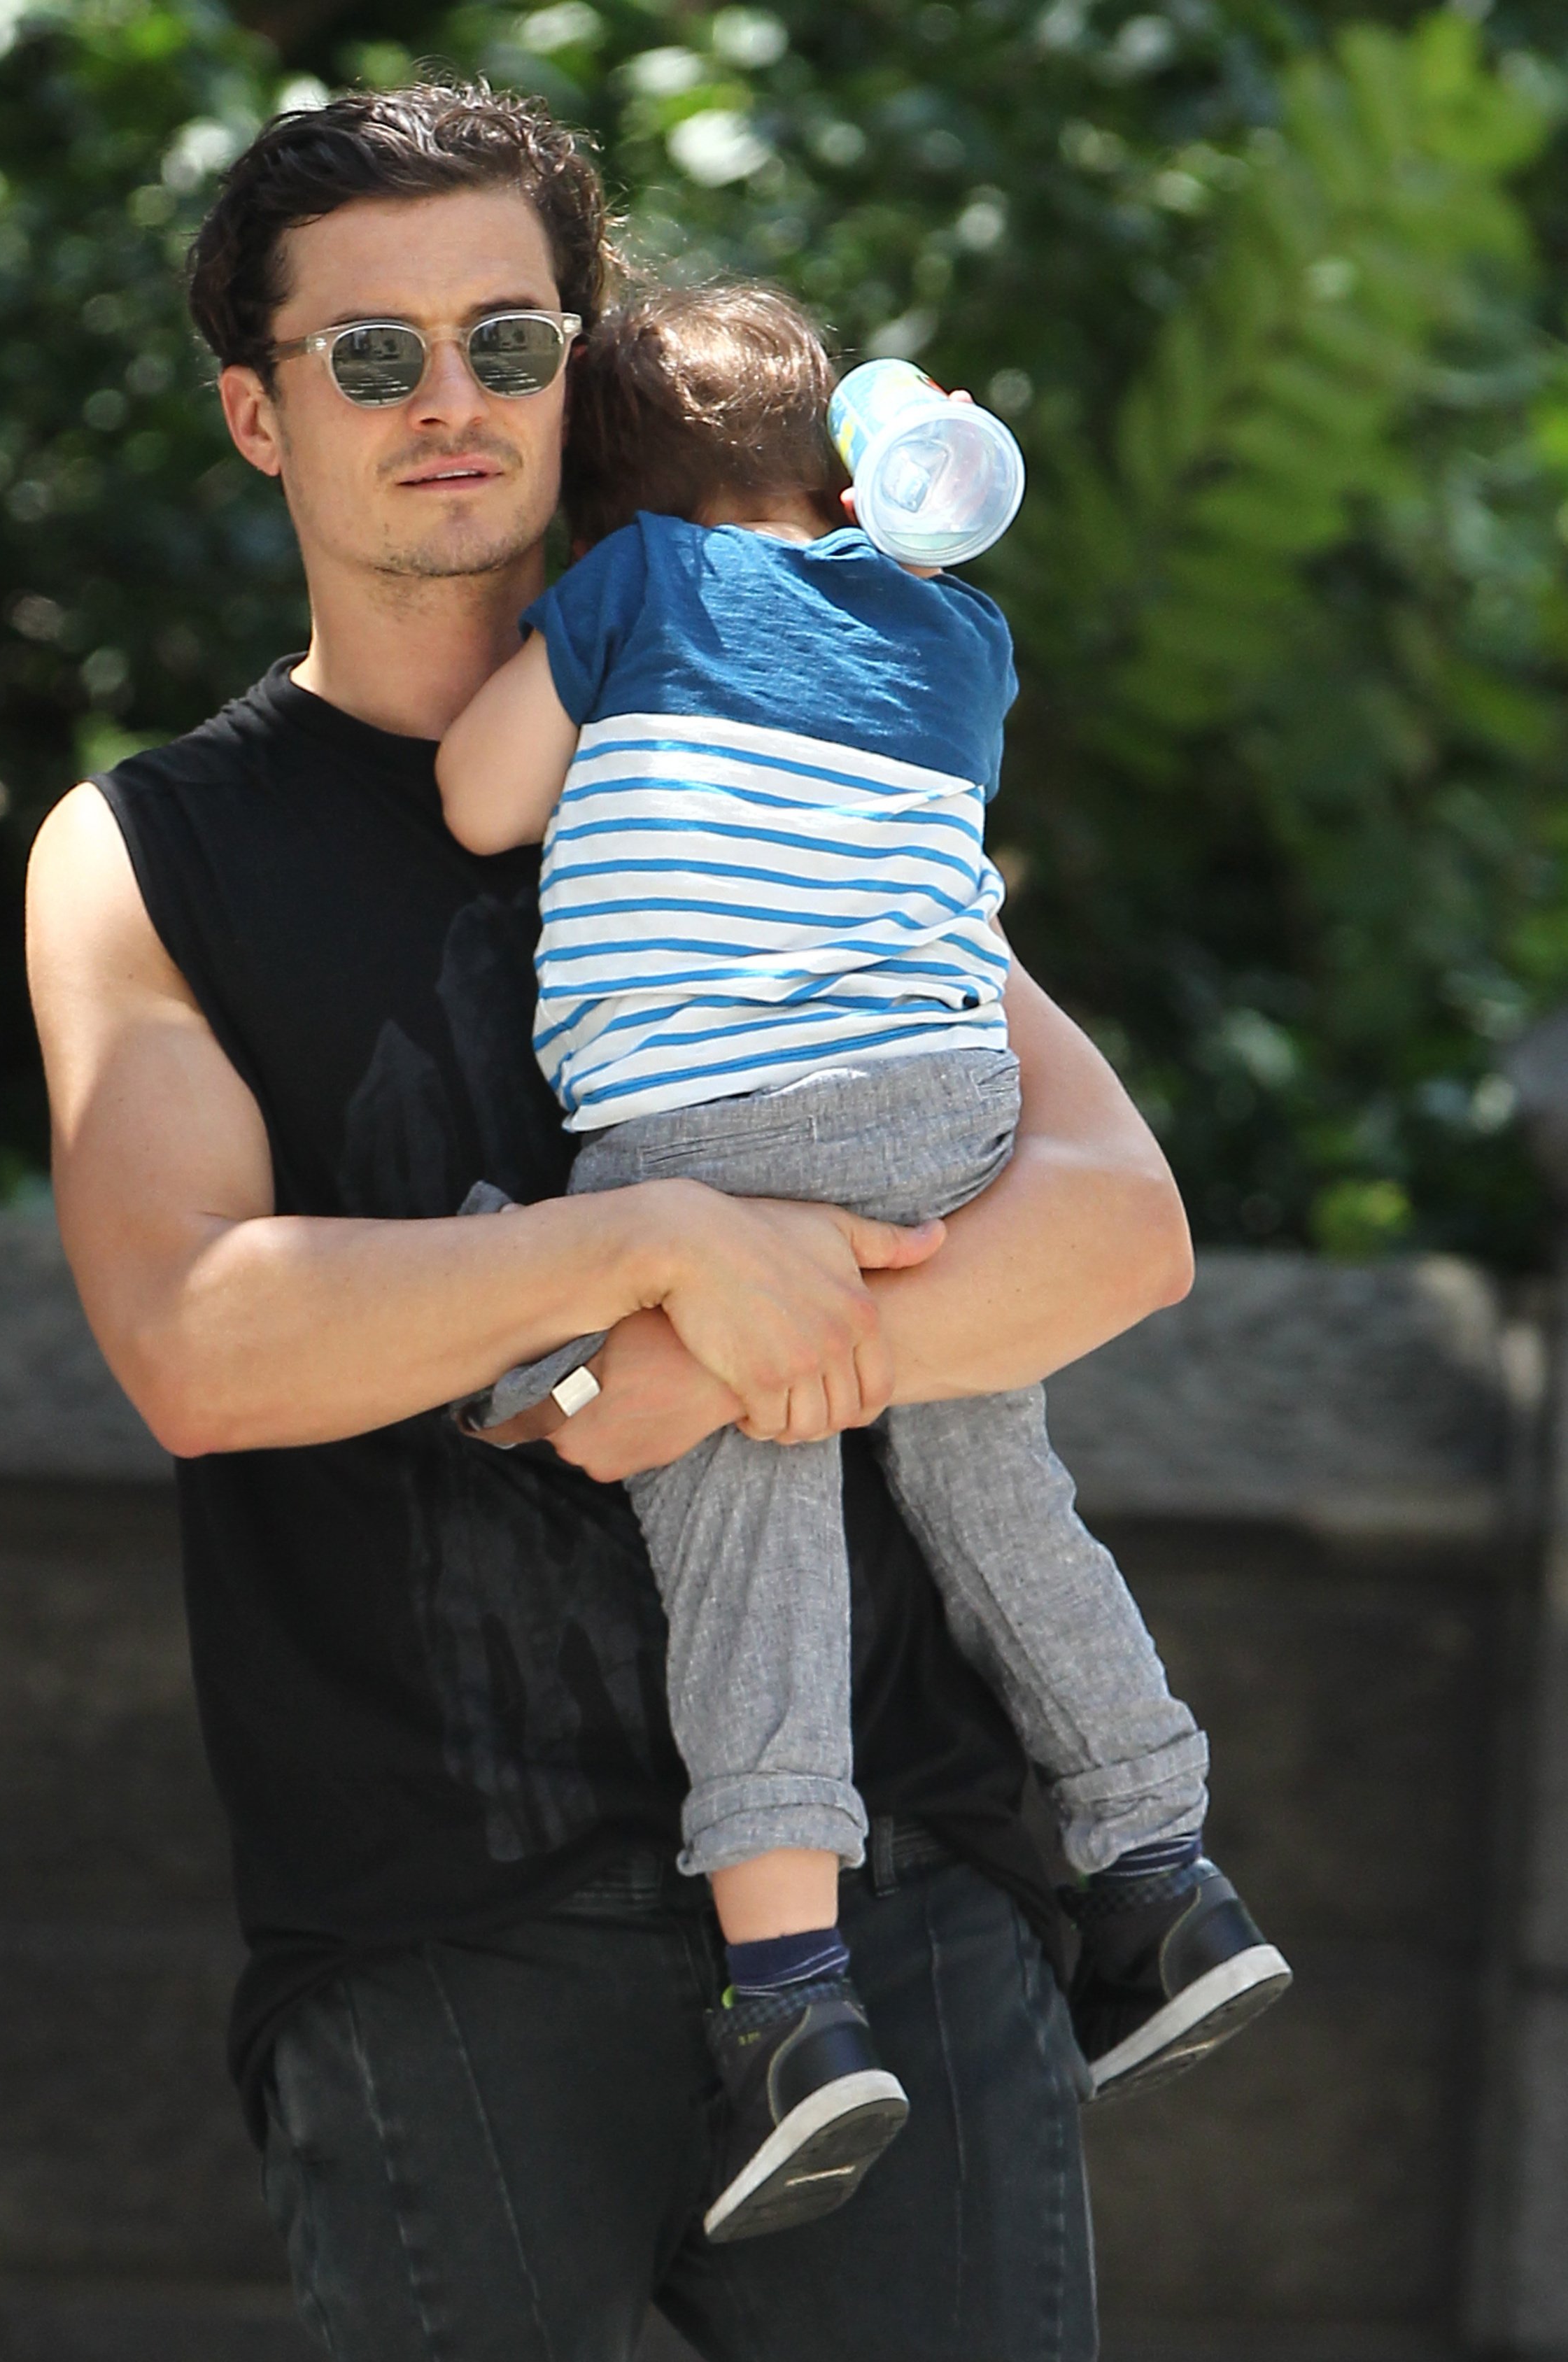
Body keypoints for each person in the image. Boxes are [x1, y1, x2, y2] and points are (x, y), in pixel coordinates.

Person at [27, 81, 1194, 2362]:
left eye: (509, 337)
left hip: (897, 1880)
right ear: (256, 411)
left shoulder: (791, 707)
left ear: (587, 366)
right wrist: (653, 1247)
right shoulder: (148, 853)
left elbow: (1114, 1224)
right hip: (435, 1909)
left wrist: (700, 1370)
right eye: (371, 355)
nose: (448, 399)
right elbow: (197, 1341)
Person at [435, 284, 1289, 2243]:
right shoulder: (958, 631)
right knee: (999, 1485)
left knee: (752, 1540)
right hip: (944, 1114)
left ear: (607, 492)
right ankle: (1161, 1872)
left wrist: (578, 640)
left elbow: (481, 797)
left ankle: (797, 2005)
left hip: (707, 1130)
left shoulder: (638, 580)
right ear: (848, 467)